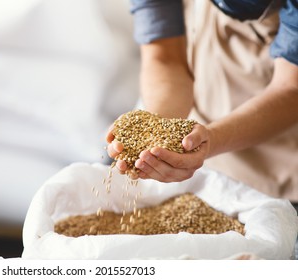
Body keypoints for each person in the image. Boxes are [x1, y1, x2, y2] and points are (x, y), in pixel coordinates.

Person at [106, 0, 298, 206]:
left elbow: (290, 87)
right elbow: (165, 57)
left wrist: (212, 139)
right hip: (203, 166)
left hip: (277, 165)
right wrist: (158, 133)